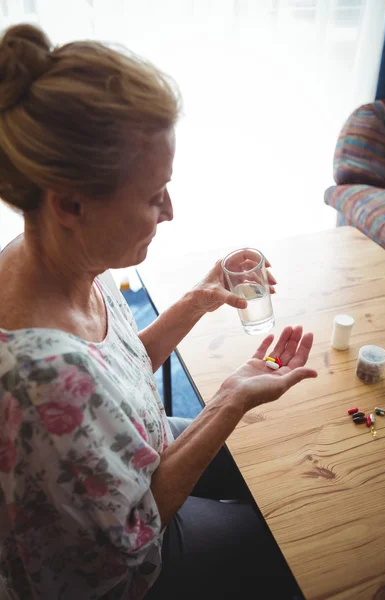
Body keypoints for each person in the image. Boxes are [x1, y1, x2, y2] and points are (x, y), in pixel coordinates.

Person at [0, 23, 318, 600]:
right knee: (294, 537)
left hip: (143, 450)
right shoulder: (41, 382)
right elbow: (135, 535)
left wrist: (198, 298)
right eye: (153, 196)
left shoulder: (45, 256)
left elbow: (116, 374)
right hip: (133, 568)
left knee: (281, 456)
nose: (169, 211)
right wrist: (229, 398)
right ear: (70, 202)